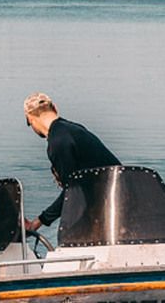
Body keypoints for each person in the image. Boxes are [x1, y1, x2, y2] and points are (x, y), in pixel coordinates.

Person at [22, 92, 121, 233]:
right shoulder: (73, 129)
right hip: (118, 195)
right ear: (55, 108)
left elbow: (73, 192)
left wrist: (38, 222)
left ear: (30, 118)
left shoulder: (57, 142)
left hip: (111, 204)